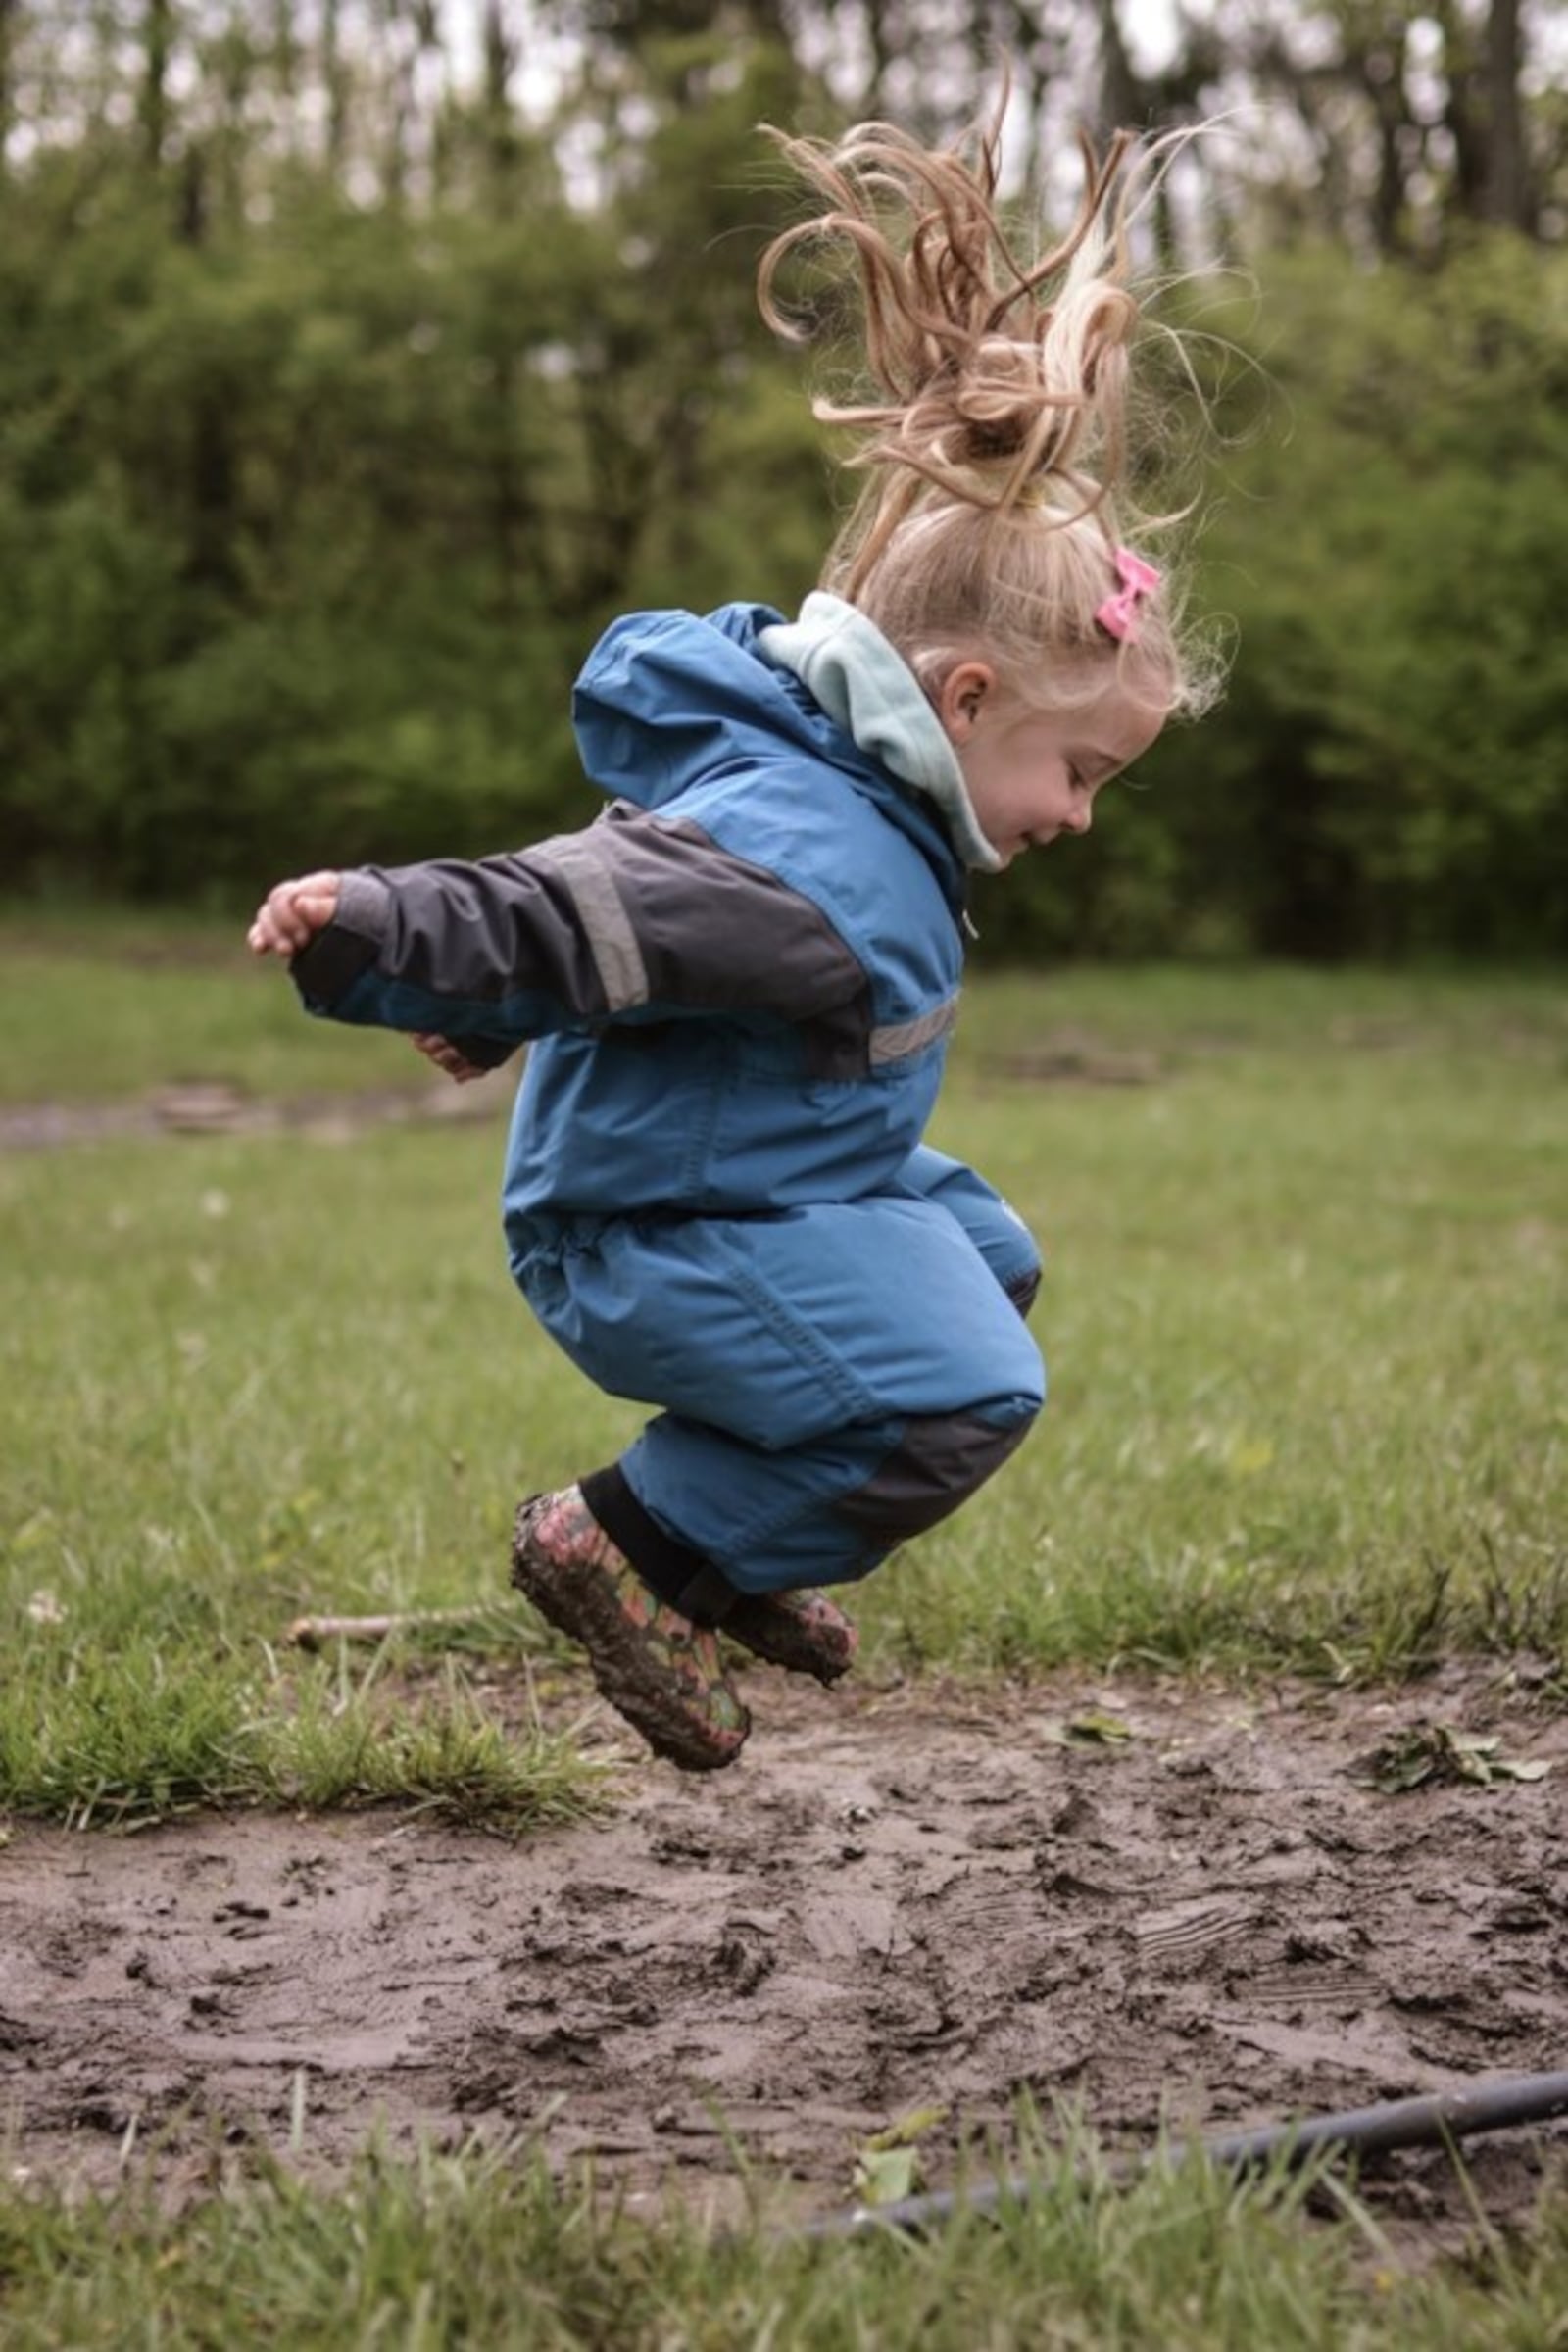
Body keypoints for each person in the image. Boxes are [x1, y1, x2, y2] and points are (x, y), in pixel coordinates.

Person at [248, 109, 1216, 1774]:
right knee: (965, 1388)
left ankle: (737, 1536)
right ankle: (634, 1548)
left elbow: (643, 956)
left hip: (758, 1177)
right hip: (652, 1230)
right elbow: (574, 910)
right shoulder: (818, 858)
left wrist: (504, 1028)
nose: (1079, 815)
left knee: (985, 1262)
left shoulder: (860, 798)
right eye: (1082, 771)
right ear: (965, 701)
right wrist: (388, 934)